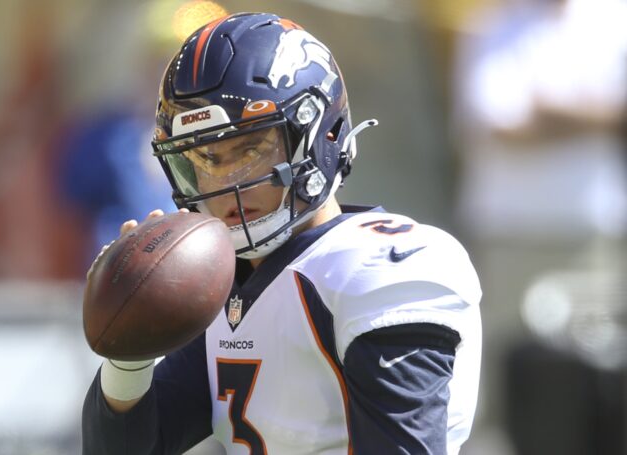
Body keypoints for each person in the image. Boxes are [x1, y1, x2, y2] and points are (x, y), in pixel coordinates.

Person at [82, 12, 481, 455]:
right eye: (204, 160)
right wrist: (127, 352)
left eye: (249, 149)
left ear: (321, 135)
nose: (225, 183)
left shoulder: (379, 266)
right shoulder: (224, 282)